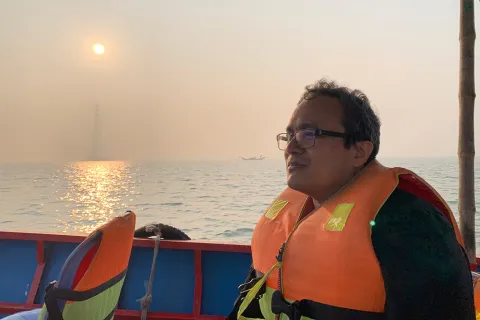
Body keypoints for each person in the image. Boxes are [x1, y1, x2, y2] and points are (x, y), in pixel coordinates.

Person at [228, 79, 475, 319]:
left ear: (359, 151)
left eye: (308, 134)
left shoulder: (409, 220)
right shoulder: (290, 214)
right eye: (289, 135)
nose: (291, 147)